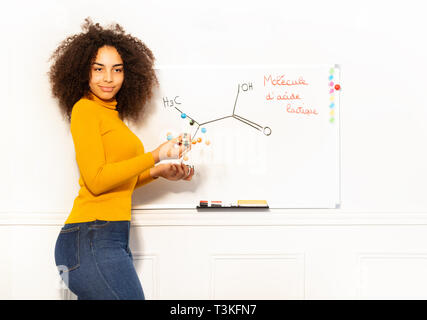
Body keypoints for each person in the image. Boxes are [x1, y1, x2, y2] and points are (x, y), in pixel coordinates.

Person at [49, 18, 194, 300]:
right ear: (83, 71)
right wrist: (155, 155)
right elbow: (97, 180)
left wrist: (158, 171)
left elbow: (116, 180)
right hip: (90, 237)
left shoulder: (111, 116)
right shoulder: (85, 110)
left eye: (117, 70)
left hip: (106, 237)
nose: (108, 78)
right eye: (98, 69)